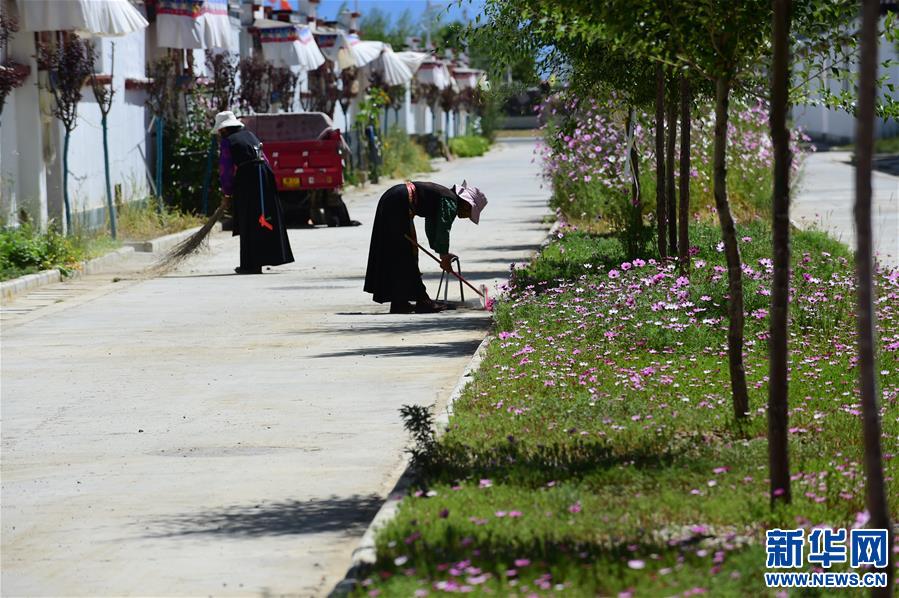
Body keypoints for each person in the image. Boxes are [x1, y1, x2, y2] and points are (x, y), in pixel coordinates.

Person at [364, 180, 487, 313]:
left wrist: (442, 253)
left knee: (397, 252)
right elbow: (443, 228)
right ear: (466, 204)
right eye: (469, 213)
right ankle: (422, 301)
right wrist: (444, 255)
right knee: (406, 253)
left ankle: (399, 302)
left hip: (394, 198)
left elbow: (432, 226)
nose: (466, 217)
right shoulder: (450, 201)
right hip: (398, 202)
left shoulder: (445, 198)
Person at [215, 111, 294, 274]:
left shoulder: (227, 142)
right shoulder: (250, 135)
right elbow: (265, 158)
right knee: (264, 216)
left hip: (248, 178)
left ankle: (250, 264)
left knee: (249, 220)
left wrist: (227, 192)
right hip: (264, 176)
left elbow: (226, 169)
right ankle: (266, 259)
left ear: (223, 130)